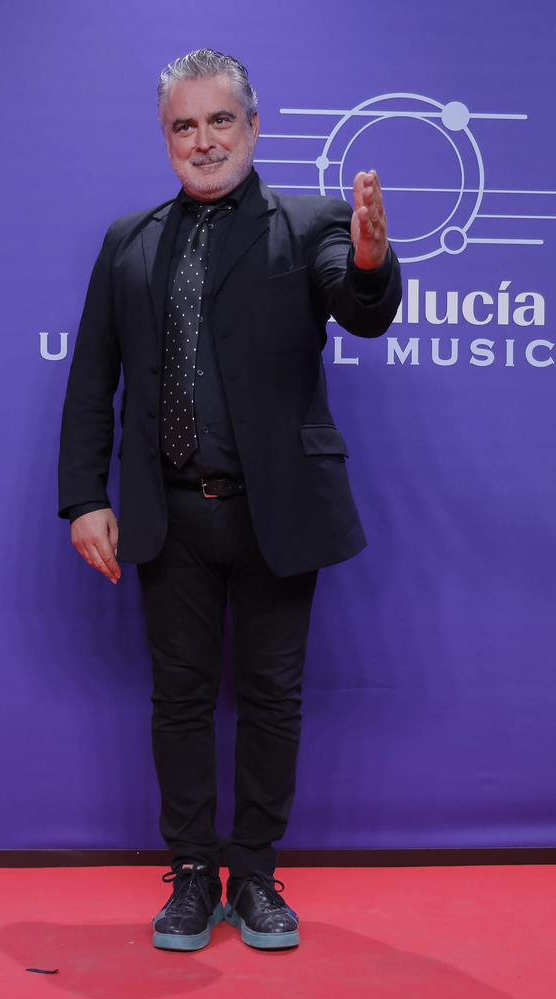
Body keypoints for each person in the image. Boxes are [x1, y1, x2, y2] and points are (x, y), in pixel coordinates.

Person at [57, 49, 400, 951]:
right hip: (167, 512)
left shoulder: (312, 222)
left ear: (253, 125)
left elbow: (360, 303)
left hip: (272, 509)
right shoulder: (127, 240)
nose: (202, 142)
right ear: (165, 136)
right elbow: (93, 380)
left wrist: (371, 260)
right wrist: (81, 497)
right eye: (184, 125)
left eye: (219, 122)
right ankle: (191, 874)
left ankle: (252, 873)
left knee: (272, 695)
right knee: (177, 698)